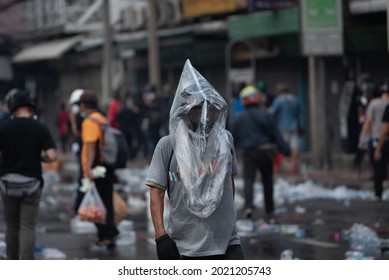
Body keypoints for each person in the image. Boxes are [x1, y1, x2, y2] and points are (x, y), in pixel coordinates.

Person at [145, 60, 244, 260]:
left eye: (210, 109)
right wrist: (160, 236)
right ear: (184, 113)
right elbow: (156, 192)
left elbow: (229, 182)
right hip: (185, 247)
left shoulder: (225, 139)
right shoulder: (168, 145)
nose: (206, 115)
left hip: (227, 243)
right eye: (198, 109)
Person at [0, 89, 57, 259]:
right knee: (28, 226)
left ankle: (11, 262)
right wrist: (40, 157)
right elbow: (52, 156)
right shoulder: (40, 128)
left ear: (12, 108)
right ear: (30, 108)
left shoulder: (3, 127)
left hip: (8, 183)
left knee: (11, 226)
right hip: (31, 184)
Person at [232, 85, 290, 219]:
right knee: (267, 181)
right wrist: (285, 150)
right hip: (266, 152)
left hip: (248, 153)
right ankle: (269, 208)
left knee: (248, 180)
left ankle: (248, 206)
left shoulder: (239, 118)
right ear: (257, 98)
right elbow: (276, 135)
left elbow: (233, 138)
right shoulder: (266, 115)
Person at [79, 90, 119, 249]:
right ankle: (107, 234)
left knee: (91, 204)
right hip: (106, 166)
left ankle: (107, 233)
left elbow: (90, 146)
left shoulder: (89, 122)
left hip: (96, 168)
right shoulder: (102, 119)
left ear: (83, 105)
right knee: (105, 201)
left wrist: (88, 168)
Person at [359, 79, 388, 201]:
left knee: (377, 167)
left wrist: (362, 138)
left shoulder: (374, 104)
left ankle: (378, 193)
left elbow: (368, 122)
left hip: (378, 139)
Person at [269, 83, 302, 173]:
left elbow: (272, 112)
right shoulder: (295, 99)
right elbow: (300, 111)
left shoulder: (279, 99)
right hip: (294, 127)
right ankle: (293, 165)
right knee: (294, 147)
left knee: (281, 146)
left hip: (282, 127)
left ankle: (280, 166)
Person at [68, 89, 86, 213]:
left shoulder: (84, 118)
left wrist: (73, 121)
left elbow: (77, 134)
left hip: (86, 152)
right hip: (83, 151)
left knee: (83, 179)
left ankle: (79, 207)